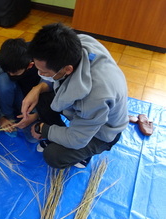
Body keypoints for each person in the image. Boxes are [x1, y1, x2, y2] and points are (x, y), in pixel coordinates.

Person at [18, 23, 129, 169]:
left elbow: (77, 139)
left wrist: (43, 128)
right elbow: (56, 79)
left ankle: (84, 154)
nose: (41, 74)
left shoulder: (96, 97)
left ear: (67, 69)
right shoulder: (79, 42)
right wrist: (36, 89)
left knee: (53, 156)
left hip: (103, 131)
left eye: (44, 72)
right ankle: (60, 136)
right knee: (42, 96)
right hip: (90, 113)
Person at [0, 38, 41, 142]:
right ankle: (9, 116)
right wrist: (0, 117)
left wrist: (36, 115)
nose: (11, 75)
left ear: (30, 65)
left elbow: (51, 93)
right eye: (8, 72)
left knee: (33, 138)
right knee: (3, 81)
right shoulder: (0, 65)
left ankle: (28, 117)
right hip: (15, 93)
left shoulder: (42, 64)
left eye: (15, 73)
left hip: (36, 100)